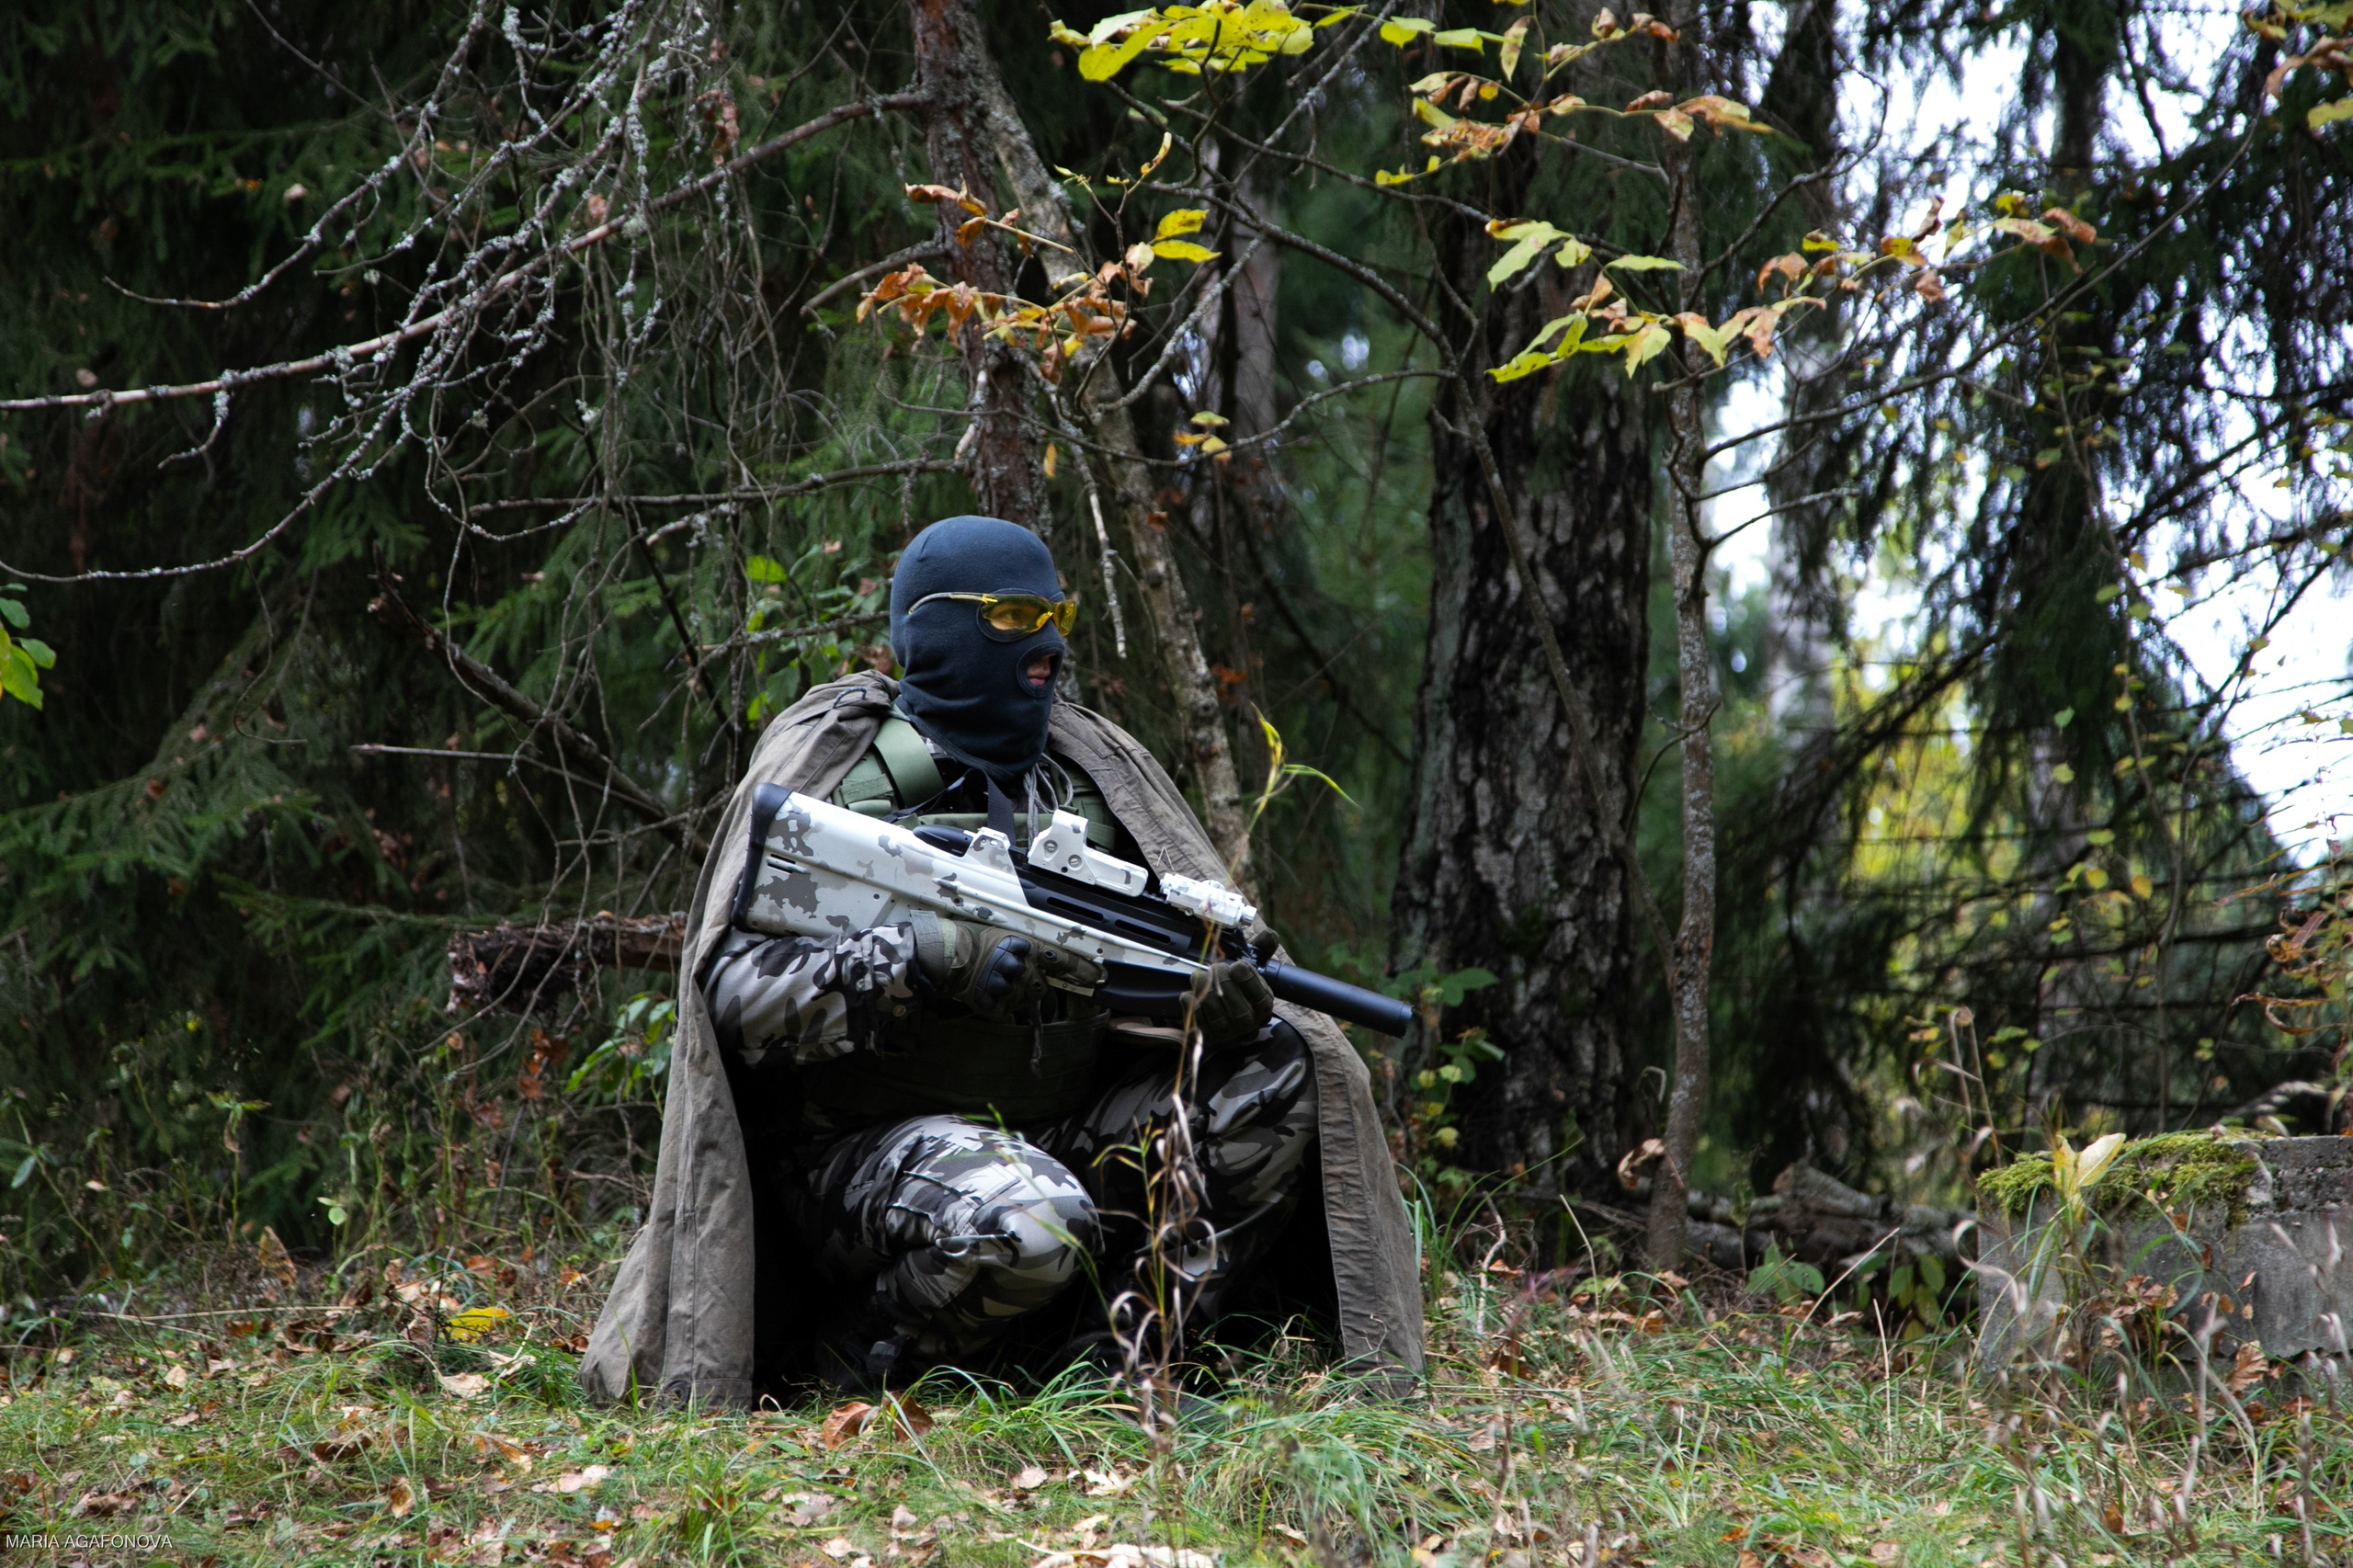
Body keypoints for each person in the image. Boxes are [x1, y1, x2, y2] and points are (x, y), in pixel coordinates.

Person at [582, 516, 1423, 1403]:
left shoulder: (1091, 780)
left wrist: (1195, 1009)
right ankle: (853, 1365)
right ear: (939, 629)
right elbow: (732, 1003)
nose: (1051, 646)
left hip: (1052, 1130)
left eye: (1058, 612)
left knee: (1280, 1067)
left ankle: (1112, 1375)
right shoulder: (841, 777)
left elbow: (1116, 996)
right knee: (1030, 1218)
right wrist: (923, 957)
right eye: (1016, 617)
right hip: (855, 1164)